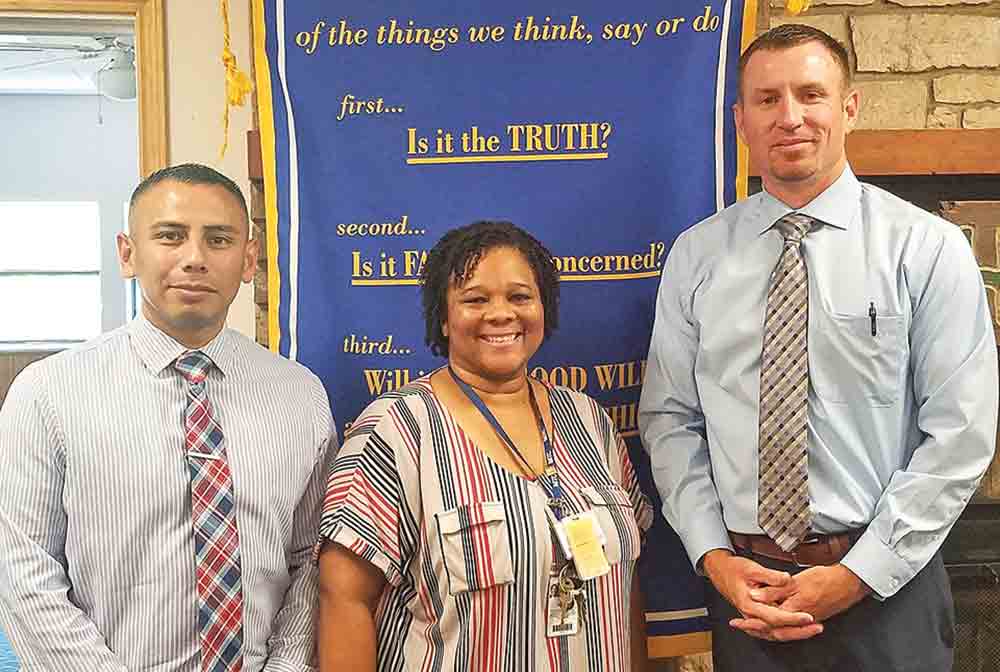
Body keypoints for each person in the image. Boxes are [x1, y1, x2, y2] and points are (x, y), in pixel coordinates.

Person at [639, 24, 997, 671]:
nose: (791, 117)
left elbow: (961, 433)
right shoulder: (696, 257)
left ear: (849, 107)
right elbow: (670, 420)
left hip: (888, 590)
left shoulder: (927, 248)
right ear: (740, 119)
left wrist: (859, 574)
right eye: (768, 99)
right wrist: (716, 559)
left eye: (811, 94)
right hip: (747, 595)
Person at [0, 163, 336, 671]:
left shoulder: (299, 395)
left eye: (219, 240)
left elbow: (310, 558)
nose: (194, 259)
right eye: (170, 237)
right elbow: (22, 569)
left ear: (249, 260)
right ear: (127, 253)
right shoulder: (48, 394)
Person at [316, 221, 653, 671]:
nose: (501, 314)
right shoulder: (396, 430)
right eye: (475, 299)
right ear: (443, 315)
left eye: (520, 297)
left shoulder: (591, 421)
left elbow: (624, 582)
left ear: (544, 308)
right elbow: (344, 598)